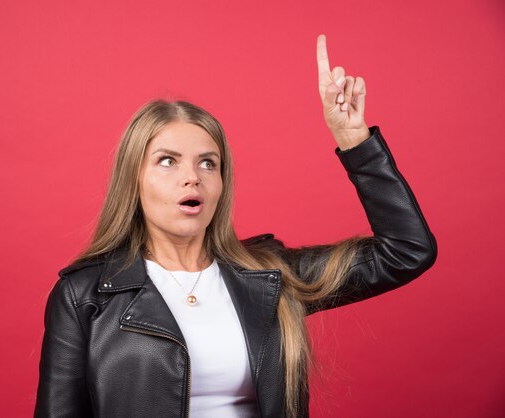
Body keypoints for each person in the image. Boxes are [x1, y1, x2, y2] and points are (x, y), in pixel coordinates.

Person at [34, 34, 437, 418]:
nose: (192, 177)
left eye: (208, 163)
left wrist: (355, 141)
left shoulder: (268, 276)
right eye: (168, 161)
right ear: (133, 179)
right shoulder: (84, 296)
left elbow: (405, 250)